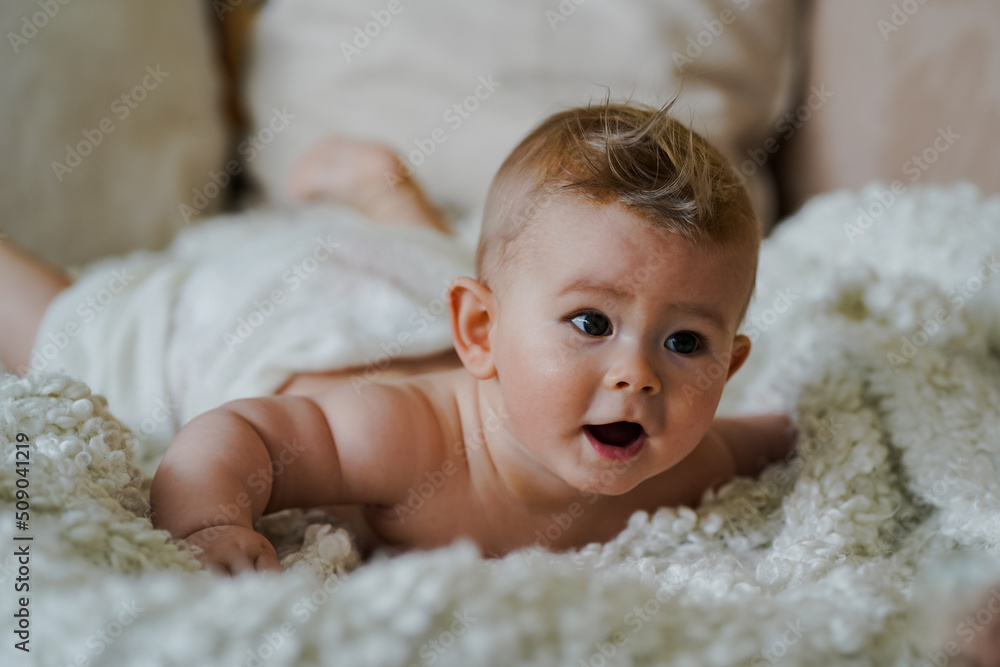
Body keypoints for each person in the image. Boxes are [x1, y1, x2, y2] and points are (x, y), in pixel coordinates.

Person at [0, 100, 797, 575]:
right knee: (77, 330)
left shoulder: (694, 460)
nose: (637, 374)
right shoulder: (406, 439)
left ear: (729, 368)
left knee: (451, 264)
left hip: (412, 291)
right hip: (283, 318)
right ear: (478, 334)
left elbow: (790, 433)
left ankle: (384, 195)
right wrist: (211, 521)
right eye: (592, 323)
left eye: (686, 343)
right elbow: (239, 429)